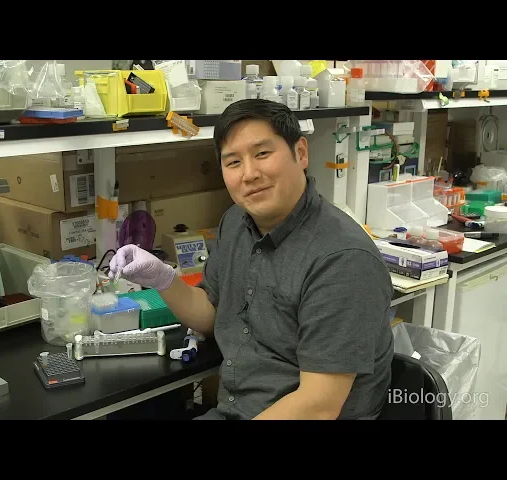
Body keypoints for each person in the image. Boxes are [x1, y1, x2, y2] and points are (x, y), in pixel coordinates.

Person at [109, 98, 394, 420]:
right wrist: (163, 279)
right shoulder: (236, 222)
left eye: (262, 154)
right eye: (233, 162)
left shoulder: (343, 260)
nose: (249, 174)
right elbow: (212, 314)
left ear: (301, 153)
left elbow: (319, 406)